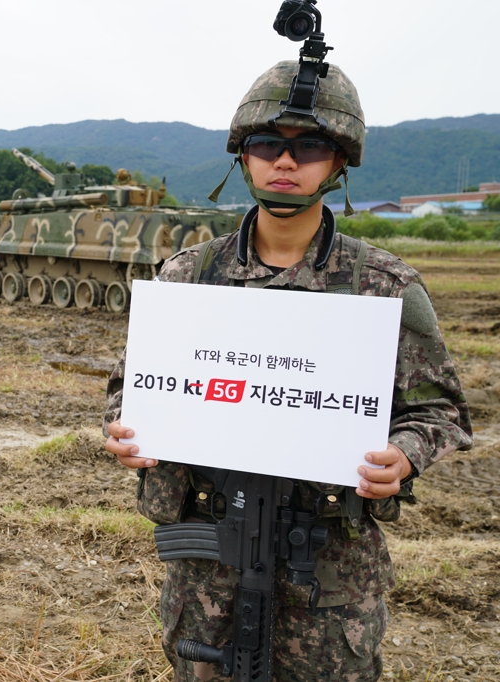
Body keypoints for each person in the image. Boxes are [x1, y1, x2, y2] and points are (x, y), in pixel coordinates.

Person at [103, 60, 473, 680]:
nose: (285, 161)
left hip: (327, 569)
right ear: (243, 157)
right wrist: (124, 426)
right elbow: (129, 388)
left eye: (309, 147)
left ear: (338, 163)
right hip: (208, 562)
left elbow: (440, 412)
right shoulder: (188, 277)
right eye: (267, 144)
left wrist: (403, 454)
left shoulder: (384, 287)